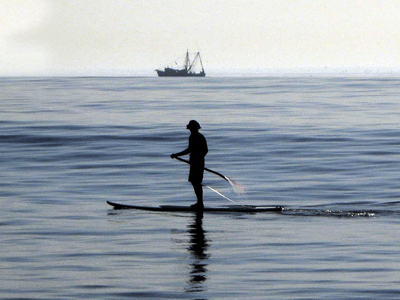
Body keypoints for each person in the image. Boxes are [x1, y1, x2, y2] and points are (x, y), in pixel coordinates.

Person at [171, 120, 208, 210]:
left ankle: (200, 203)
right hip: (193, 162)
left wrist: (198, 159)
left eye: (192, 128)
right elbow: (189, 150)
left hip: (198, 163)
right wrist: (177, 155)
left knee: (197, 182)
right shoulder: (192, 137)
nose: (191, 130)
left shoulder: (200, 137)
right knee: (193, 182)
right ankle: (199, 202)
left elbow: (205, 150)